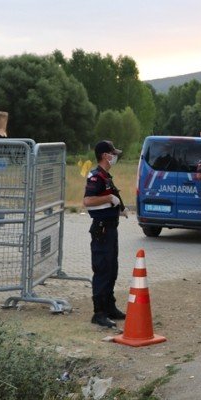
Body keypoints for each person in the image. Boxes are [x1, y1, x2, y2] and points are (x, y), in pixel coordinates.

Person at [83, 140, 127, 328]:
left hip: (110, 228)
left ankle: (109, 306)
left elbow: (108, 201)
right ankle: (98, 312)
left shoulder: (106, 176)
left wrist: (119, 208)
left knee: (112, 268)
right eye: (112, 153)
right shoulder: (95, 176)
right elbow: (88, 201)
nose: (114, 156)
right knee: (102, 269)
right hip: (101, 229)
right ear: (104, 155)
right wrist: (109, 198)